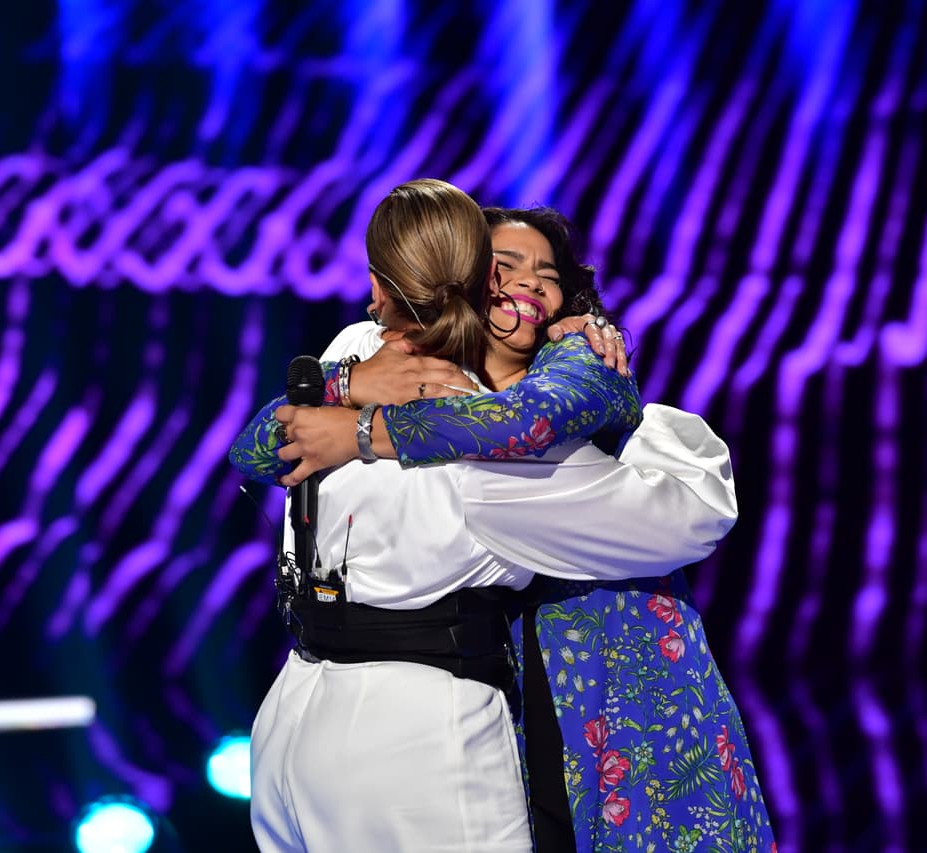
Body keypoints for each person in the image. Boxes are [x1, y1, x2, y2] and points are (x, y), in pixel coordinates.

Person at [230, 180, 741, 853]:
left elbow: (258, 447)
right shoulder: (498, 462)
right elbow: (691, 514)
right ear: (461, 279)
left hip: (293, 720)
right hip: (414, 742)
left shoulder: (366, 351)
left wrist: (352, 405)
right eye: (502, 266)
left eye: (549, 274)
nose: (530, 283)